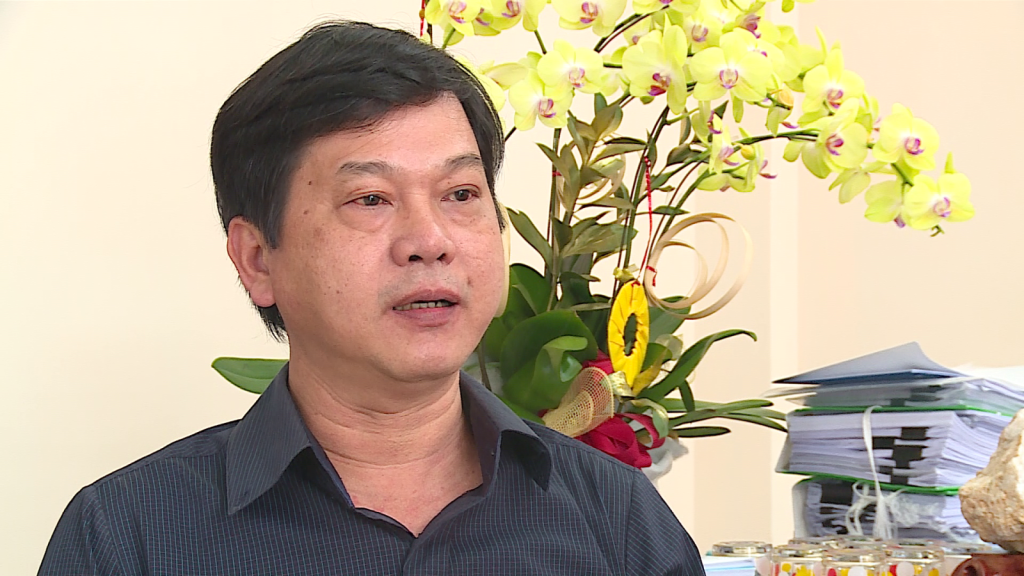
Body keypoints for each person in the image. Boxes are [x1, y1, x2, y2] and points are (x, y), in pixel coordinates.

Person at [40, 20, 705, 575]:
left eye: (461, 194)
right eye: (370, 199)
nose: (430, 241)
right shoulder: (128, 536)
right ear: (257, 258)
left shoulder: (615, 519)